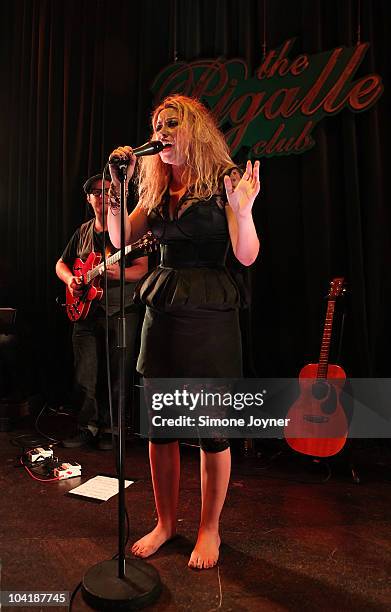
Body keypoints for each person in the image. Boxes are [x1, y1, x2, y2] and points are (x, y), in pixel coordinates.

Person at [108, 95, 260, 568]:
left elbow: (247, 254)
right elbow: (119, 239)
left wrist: (245, 211)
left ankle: (209, 530)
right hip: (164, 305)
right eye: (156, 124)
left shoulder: (225, 180)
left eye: (171, 123)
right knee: (161, 428)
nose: (162, 131)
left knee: (213, 431)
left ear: (194, 129)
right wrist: (117, 195)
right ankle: (165, 523)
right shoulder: (155, 189)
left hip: (211, 306)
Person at [56, 174, 148, 449]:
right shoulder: (82, 231)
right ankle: (87, 427)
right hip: (84, 314)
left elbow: (142, 269)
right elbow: (61, 264)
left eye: (108, 191)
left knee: (118, 375)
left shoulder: (130, 230)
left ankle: (113, 430)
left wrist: (120, 272)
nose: (102, 196)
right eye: (96, 192)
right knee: (84, 374)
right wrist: (70, 280)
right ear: (88, 199)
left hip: (120, 311)